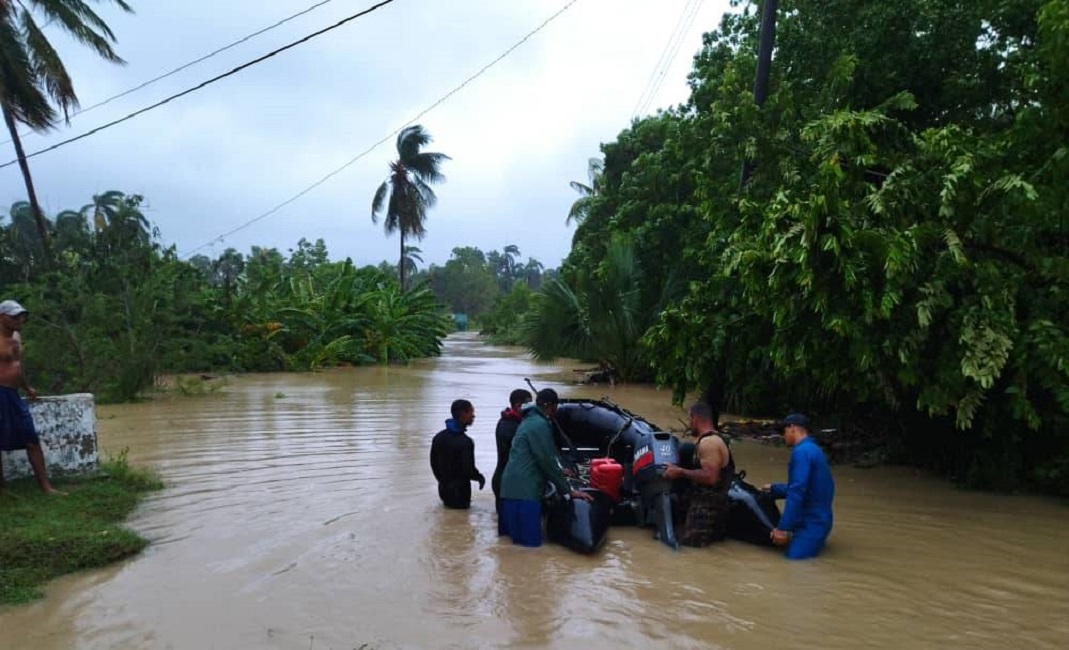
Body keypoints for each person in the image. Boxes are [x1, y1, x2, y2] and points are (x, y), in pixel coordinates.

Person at [498, 388, 592, 546]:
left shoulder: (527, 421)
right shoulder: (540, 424)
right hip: (526, 493)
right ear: (551, 406)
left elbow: (529, 457)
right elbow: (546, 460)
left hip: (508, 490)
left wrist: (559, 471)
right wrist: (568, 490)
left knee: (513, 548)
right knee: (532, 548)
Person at [0, 300, 62, 495]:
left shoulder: (17, 337)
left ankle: (46, 486)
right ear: (2, 317)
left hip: (14, 393)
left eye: (21, 316)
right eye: (14, 316)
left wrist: (27, 387)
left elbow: (18, 365)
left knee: (31, 439)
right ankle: (2, 487)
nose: (20, 320)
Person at [762, 413, 835, 559]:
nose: (784, 436)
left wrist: (783, 529)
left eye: (784, 431)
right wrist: (774, 489)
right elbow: (811, 487)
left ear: (793, 428)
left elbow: (797, 492)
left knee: (793, 564)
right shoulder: (813, 449)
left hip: (811, 524)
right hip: (820, 518)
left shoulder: (801, 453)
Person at [664, 402, 735, 547]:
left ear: (695, 418)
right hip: (715, 507)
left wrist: (680, 472)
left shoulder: (708, 443)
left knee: (692, 551)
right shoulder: (716, 439)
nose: (690, 424)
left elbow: (710, 477)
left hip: (705, 512)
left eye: (690, 420)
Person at [430, 399, 486, 509]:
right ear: (463, 414)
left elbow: (433, 463)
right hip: (461, 492)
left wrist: (442, 481)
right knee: (463, 520)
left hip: (443, 489)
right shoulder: (466, 442)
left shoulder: (438, 437)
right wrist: (479, 477)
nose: (473, 416)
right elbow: (468, 469)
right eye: (471, 412)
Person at [491, 388, 532, 518]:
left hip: (502, 479)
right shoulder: (513, 427)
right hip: (507, 483)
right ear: (518, 406)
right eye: (529, 404)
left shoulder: (505, 421)